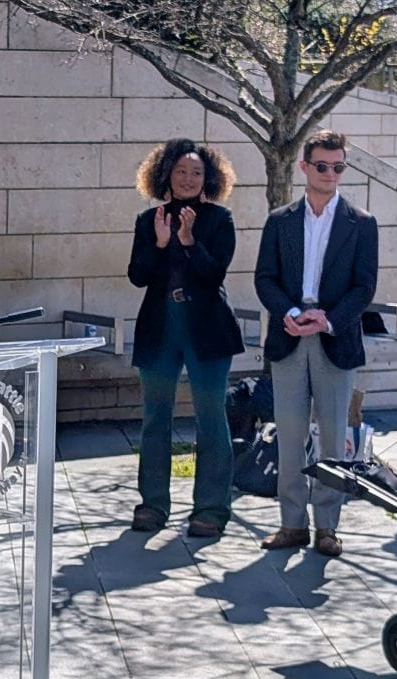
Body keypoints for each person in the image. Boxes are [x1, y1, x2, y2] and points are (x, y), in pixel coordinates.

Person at [254, 129, 379, 558]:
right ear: (304, 166)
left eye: (338, 166)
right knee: (289, 436)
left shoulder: (362, 223)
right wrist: (290, 314)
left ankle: (327, 527)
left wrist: (327, 319)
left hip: (334, 339)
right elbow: (264, 279)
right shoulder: (279, 219)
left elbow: (364, 288)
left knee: (332, 438)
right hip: (290, 337)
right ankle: (292, 525)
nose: (330, 174)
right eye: (322, 166)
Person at [126, 138, 243, 538]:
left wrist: (190, 241)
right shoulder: (148, 220)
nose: (189, 178)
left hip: (207, 330)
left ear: (208, 177)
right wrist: (160, 243)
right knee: (155, 420)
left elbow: (214, 276)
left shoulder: (219, 219)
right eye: (181, 172)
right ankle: (152, 505)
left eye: (196, 172)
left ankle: (211, 509)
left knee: (211, 419)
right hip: (161, 328)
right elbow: (138, 275)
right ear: (166, 176)